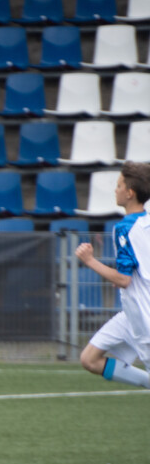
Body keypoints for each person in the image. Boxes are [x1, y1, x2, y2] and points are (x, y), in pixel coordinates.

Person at [75, 161, 150, 390]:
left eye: (119, 186)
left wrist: (90, 260)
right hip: (131, 314)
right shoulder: (146, 222)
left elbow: (123, 279)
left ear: (130, 193)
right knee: (89, 359)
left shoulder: (124, 228)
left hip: (144, 317)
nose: (115, 190)